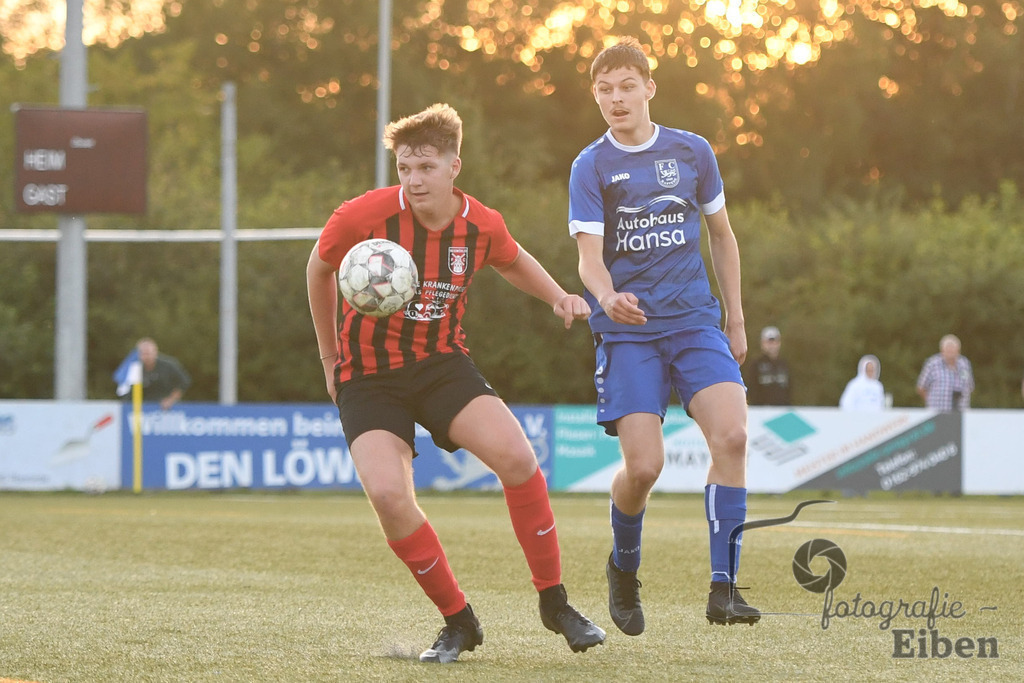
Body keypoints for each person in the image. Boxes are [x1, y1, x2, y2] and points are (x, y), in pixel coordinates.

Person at [306, 103, 605, 664]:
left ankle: (555, 602)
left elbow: (511, 258)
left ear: (453, 167)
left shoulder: (480, 224)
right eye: (404, 168)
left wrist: (559, 296)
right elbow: (318, 269)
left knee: (518, 460)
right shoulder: (362, 217)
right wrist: (329, 357)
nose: (414, 180)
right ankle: (458, 621)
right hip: (367, 377)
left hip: (441, 363)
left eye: (425, 167)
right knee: (390, 497)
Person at [567, 37, 760, 634]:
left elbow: (722, 236)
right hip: (629, 334)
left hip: (697, 322)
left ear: (649, 88)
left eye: (627, 86)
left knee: (731, 435)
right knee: (644, 468)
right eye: (604, 89)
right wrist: (605, 297)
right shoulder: (590, 165)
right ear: (596, 96)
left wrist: (735, 317)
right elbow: (588, 259)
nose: (616, 98)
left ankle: (723, 587)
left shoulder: (693, 151)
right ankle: (623, 569)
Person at [916, 334, 974, 411]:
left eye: (953, 349)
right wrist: (930, 401)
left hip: (960, 412)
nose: (950, 351)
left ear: (958, 351)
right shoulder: (932, 364)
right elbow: (921, 387)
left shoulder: (965, 364)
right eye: (948, 349)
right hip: (937, 412)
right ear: (942, 350)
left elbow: (970, 386)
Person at [132, 337, 190, 410]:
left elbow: (184, 382)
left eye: (148, 353)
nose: (146, 357)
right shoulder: (134, 368)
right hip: (143, 408)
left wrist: (171, 400)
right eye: (142, 353)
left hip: (168, 409)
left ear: (155, 352)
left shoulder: (169, 365)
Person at [744, 326, 792, 406]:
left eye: (774, 342)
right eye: (768, 342)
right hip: (761, 411)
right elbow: (752, 388)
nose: (772, 345)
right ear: (762, 343)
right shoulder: (756, 365)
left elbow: (789, 389)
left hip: (782, 410)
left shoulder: (784, 364)